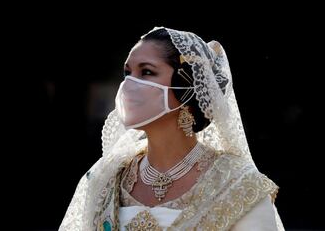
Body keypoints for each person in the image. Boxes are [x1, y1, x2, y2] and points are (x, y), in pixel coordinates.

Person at [60, 27, 284, 230]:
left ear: (186, 88)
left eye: (146, 72)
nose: (129, 84)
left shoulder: (237, 186)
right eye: (128, 73)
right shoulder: (105, 178)